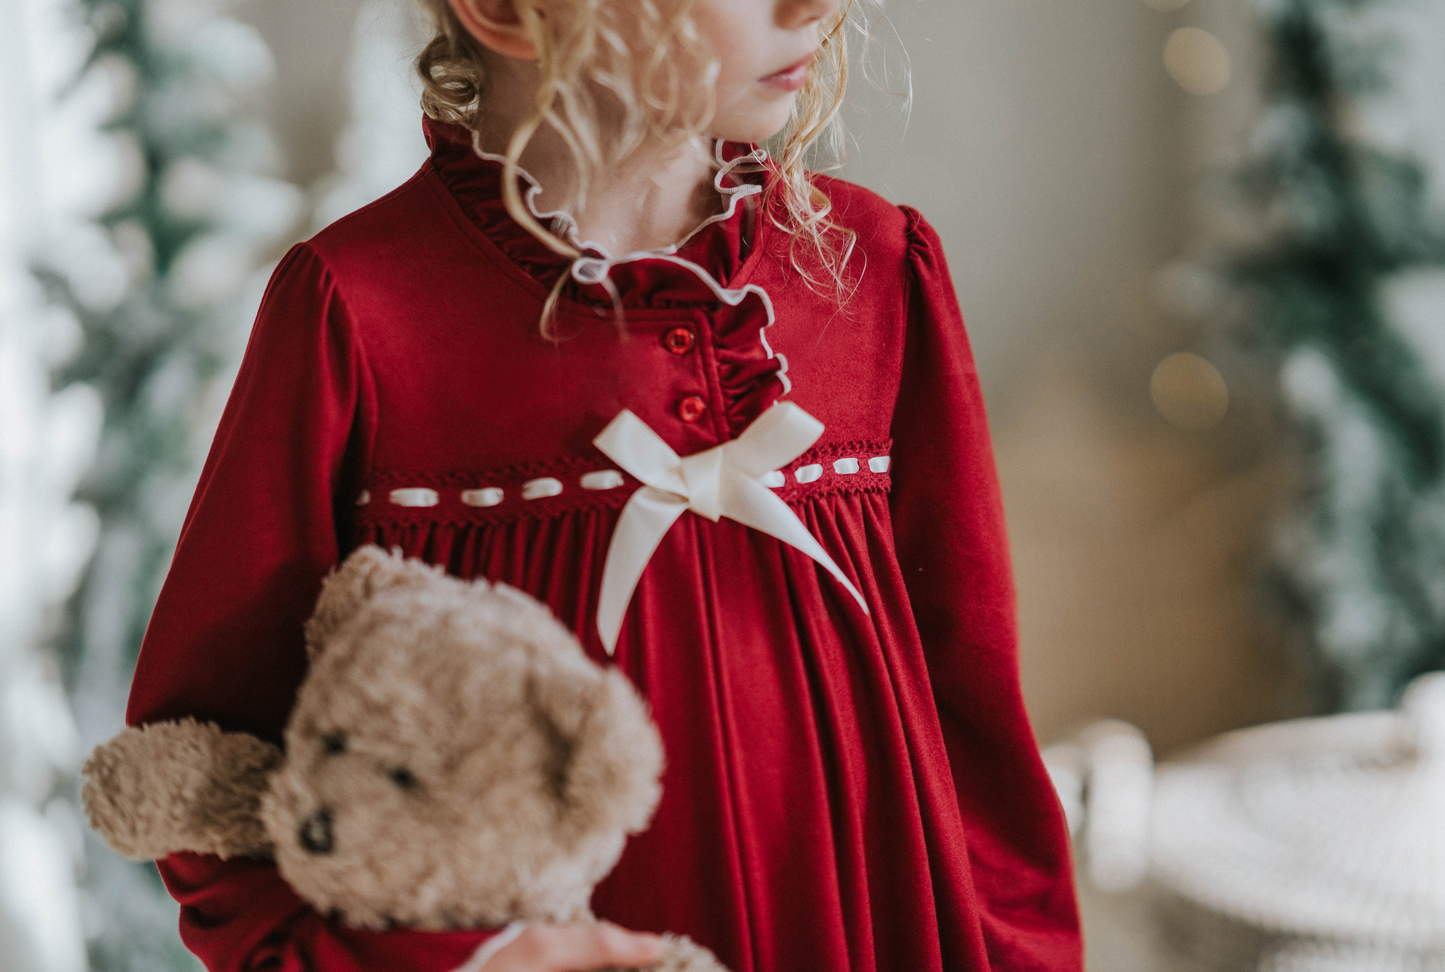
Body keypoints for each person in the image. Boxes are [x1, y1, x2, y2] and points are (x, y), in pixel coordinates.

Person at [123, 0, 1083, 968]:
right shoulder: (357, 319)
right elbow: (202, 769)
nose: (814, 6)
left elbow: (984, 760)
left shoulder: (876, 273)